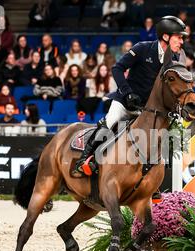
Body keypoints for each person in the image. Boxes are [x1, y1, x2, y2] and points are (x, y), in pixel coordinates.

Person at [73, 15, 187, 178]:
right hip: (125, 102)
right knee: (110, 121)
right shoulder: (142, 48)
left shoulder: (173, 59)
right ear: (166, 36)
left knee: (158, 136)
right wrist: (127, 92)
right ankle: (83, 160)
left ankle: (150, 180)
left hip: (145, 109)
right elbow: (117, 69)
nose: (181, 41)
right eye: (179, 37)